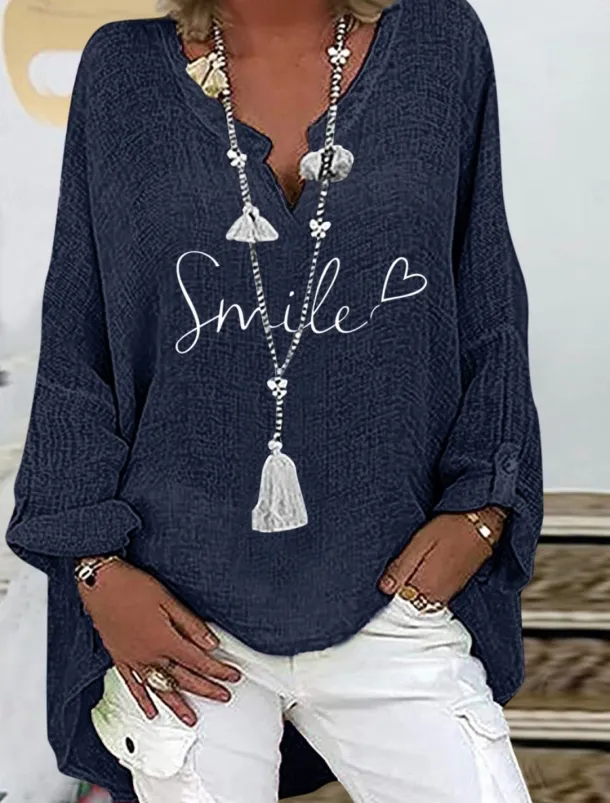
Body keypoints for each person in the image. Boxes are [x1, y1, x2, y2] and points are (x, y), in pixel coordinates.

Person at [4, 0, 544, 801]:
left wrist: (485, 504)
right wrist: (94, 566)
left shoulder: (439, 44)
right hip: (176, 605)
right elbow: (79, 335)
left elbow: (487, 295)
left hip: (390, 582)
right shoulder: (123, 71)